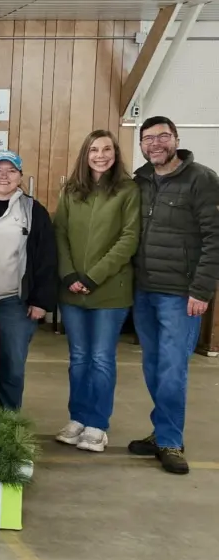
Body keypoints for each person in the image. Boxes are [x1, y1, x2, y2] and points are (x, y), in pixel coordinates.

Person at [128, 116, 219, 474]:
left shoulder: (202, 180)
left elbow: (215, 239)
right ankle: (162, 430)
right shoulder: (140, 180)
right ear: (141, 145)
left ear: (176, 139)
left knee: (172, 368)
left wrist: (201, 290)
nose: (155, 144)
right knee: (153, 366)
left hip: (181, 295)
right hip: (144, 289)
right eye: (148, 138)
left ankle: (170, 441)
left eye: (163, 136)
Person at [53, 131, 139, 453]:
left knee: (101, 358)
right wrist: (69, 274)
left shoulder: (128, 190)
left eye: (106, 149)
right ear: (85, 154)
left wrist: (93, 276)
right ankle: (78, 418)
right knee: (78, 358)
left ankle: (97, 424)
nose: (100, 155)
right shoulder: (72, 191)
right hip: (73, 289)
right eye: (93, 149)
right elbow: (59, 232)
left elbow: (129, 239)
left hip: (110, 292)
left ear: (115, 154)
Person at [0, 150, 57, 411]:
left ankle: (7, 425)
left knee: (12, 368)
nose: (4, 176)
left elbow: (46, 257)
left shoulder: (33, 211)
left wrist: (40, 301)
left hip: (14, 303)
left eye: (11, 171)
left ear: (20, 176)